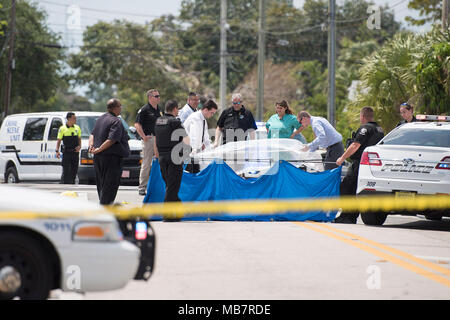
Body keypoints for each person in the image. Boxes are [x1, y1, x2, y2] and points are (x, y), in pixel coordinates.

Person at [335, 107, 384, 224]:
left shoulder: (364, 128)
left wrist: (342, 158)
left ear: (362, 116)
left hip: (359, 164)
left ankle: (347, 216)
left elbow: (355, 145)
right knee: (356, 190)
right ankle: (351, 216)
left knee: (347, 189)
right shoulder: (379, 129)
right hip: (372, 165)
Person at [89, 98, 130, 205]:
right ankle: (105, 211)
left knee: (102, 186)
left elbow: (92, 134)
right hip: (112, 159)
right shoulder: (116, 121)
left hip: (99, 158)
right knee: (110, 187)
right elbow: (111, 140)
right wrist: (99, 149)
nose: (121, 108)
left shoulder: (100, 119)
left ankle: (103, 206)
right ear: (115, 108)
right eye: (120, 106)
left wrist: (91, 147)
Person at [154, 100, 190, 213]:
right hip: (174, 158)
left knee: (169, 185)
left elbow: (155, 139)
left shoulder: (158, 121)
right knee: (173, 187)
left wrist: (157, 155)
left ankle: (177, 211)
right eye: (177, 109)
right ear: (174, 109)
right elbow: (186, 140)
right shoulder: (175, 122)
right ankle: (168, 214)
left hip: (162, 158)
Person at [135, 89, 162, 196]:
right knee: (146, 163)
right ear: (150, 97)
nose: (159, 98)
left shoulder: (159, 110)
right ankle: (142, 187)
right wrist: (143, 136)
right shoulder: (145, 109)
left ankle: (158, 185)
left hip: (158, 139)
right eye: (156, 96)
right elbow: (137, 124)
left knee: (160, 162)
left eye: (159, 96)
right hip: (149, 139)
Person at [183, 99, 218, 173]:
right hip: (188, 150)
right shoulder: (195, 117)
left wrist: (210, 148)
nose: (212, 115)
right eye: (212, 113)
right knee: (190, 173)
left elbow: (205, 136)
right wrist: (195, 149)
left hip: (195, 151)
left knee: (196, 172)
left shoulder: (203, 120)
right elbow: (194, 135)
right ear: (205, 110)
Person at [56, 112, 82, 184]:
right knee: (66, 170)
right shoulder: (62, 128)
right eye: (74, 118)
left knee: (74, 170)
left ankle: (72, 183)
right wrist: (57, 151)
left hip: (75, 152)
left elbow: (79, 138)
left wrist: (80, 146)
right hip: (66, 152)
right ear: (68, 119)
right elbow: (59, 140)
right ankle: (64, 184)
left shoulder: (77, 128)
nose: (75, 120)